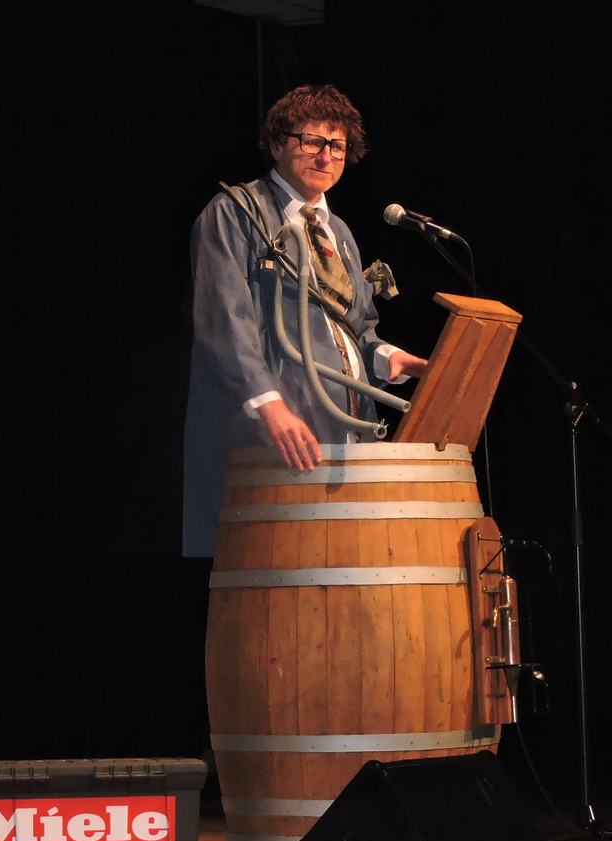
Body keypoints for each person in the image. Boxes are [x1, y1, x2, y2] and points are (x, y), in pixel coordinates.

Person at [182, 84, 428, 557]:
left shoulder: (339, 233)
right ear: (277, 144)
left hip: (346, 432)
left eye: (337, 145)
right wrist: (269, 405)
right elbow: (223, 319)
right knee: (281, 567)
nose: (325, 155)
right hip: (274, 435)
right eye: (311, 141)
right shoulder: (236, 213)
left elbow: (357, 327)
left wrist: (389, 357)